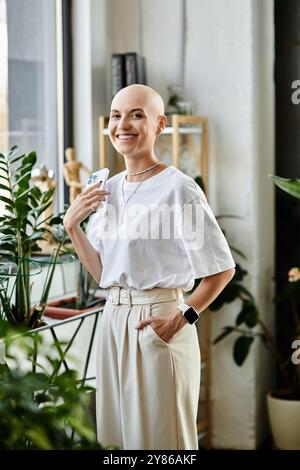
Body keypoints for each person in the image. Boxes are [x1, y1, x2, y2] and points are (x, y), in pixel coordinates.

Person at [63, 84, 236, 450]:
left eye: (136, 114)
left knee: (161, 442)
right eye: (116, 115)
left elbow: (221, 269)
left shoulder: (180, 188)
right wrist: (71, 226)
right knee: (118, 438)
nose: (123, 124)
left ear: (160, 124)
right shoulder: (105, 190)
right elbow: (102, 273)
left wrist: (180, 318)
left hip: (158, 321)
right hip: (112, 321)